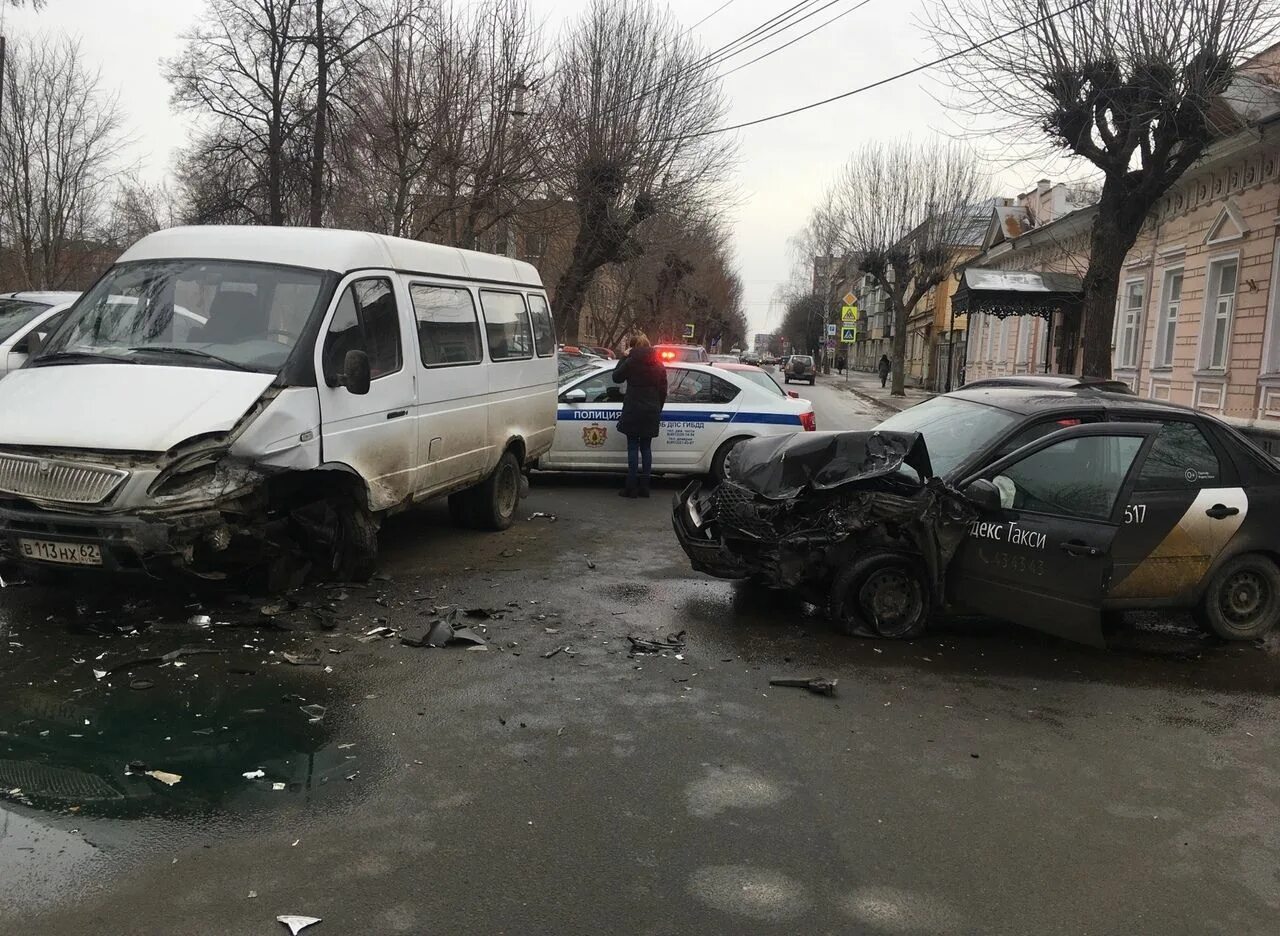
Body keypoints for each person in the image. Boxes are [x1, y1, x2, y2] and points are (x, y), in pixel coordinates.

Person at [611, 333, 667, 498]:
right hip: (651, 411)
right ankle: (645, 487)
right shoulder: (659, 365)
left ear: (633, 348)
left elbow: (616, 378)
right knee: (646, 449)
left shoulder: (631, 362)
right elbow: (663, 391)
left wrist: (623, 357)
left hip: (633, 410)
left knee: (633, 448)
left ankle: (631, 488)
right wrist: (657, 408)